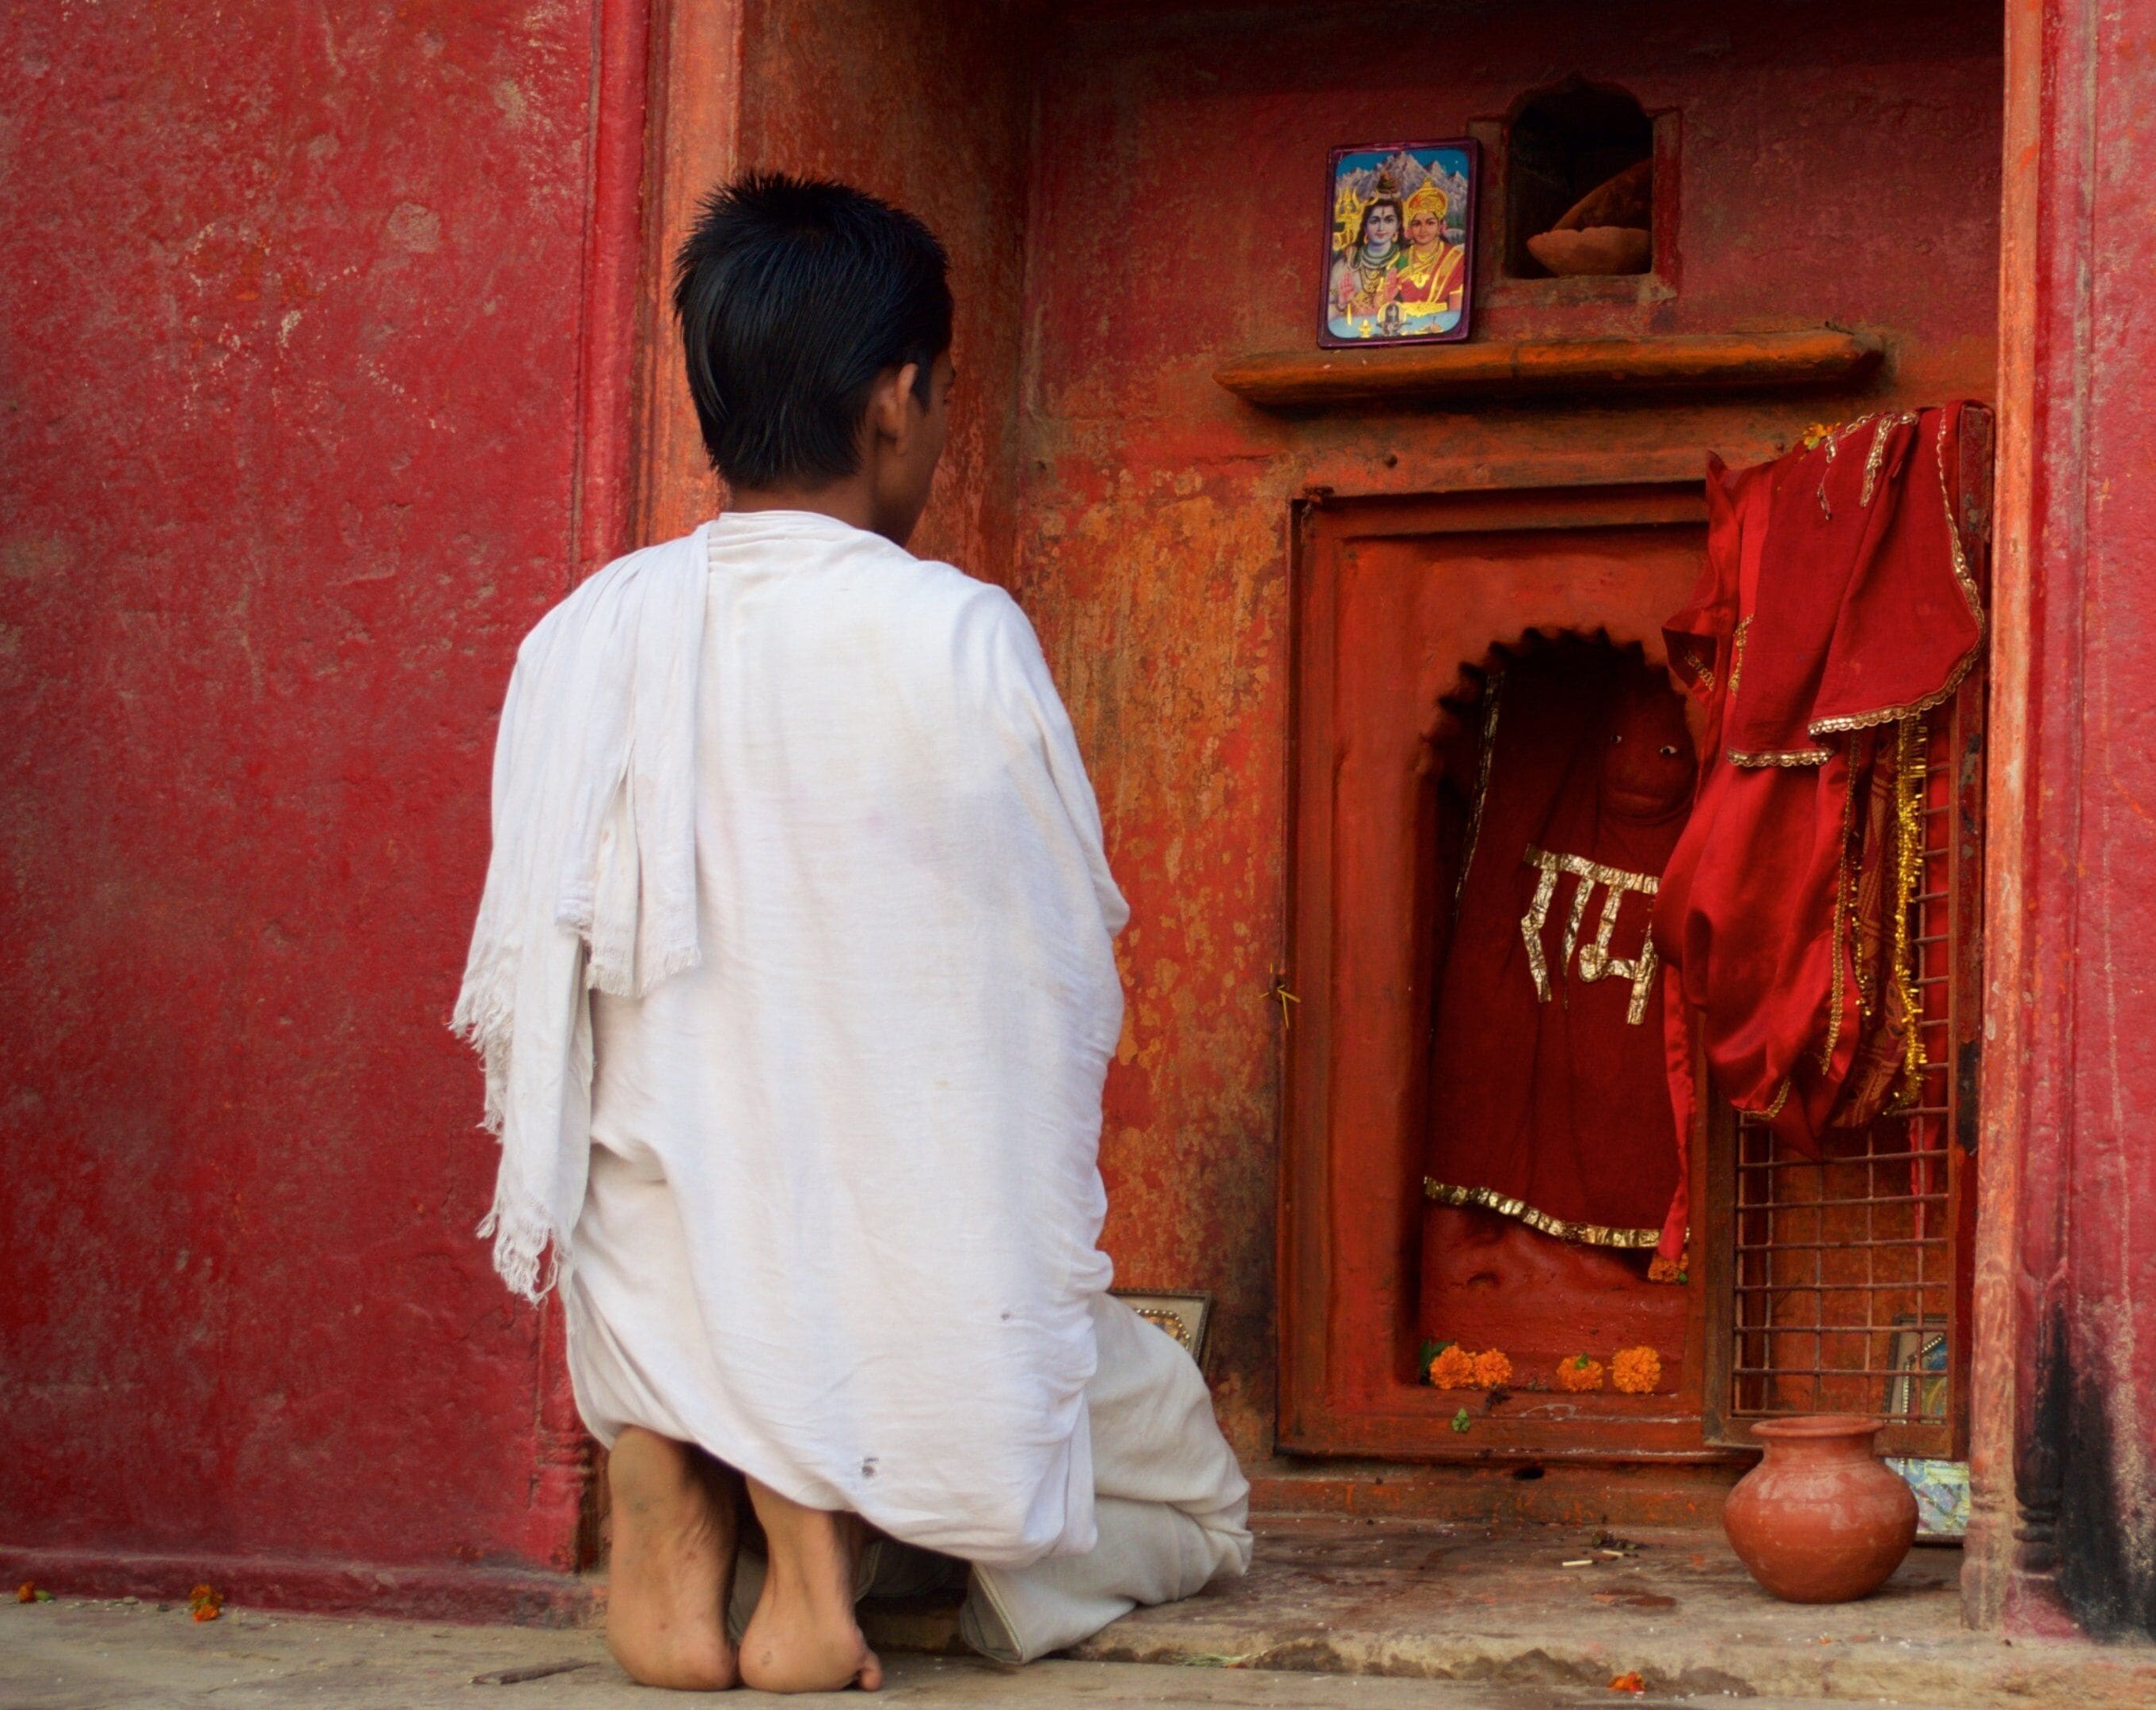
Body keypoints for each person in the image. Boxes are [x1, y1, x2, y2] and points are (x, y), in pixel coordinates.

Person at [452, 172, 1249, 1694]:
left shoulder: (578, 637)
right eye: (940, 399)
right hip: (891, 1311)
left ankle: (694, 1476)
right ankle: (828, 1533)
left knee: (699, 1195)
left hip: (650, 1294)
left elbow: (538, 1018)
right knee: (1192, 1484)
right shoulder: (949, 633)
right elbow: (1050, 998)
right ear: (898, 400)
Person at [1386, 181, 1468, 333]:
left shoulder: (1456, 259)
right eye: (1417, 223)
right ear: (1410, 228)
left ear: (1440, 226)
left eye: (1430, 223)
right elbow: (1381, 304)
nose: (1423, 229)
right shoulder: (1399, 259)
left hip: (1441, 325)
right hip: (1403, 328)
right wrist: (1388, 297)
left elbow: (1457, 312)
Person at [1327, 194, 1404, 337]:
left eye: (1388, 220)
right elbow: (1326, 314)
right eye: (1374, 221)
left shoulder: (1405, 261)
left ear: (1398, 225)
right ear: (1365, 226)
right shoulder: (1347, 263)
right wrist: (1341, 304)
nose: (1381, 227)